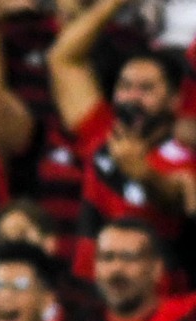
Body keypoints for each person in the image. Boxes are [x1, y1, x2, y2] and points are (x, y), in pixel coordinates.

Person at [48, 0, 196, 278]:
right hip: (88, 291)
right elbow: (63, 60)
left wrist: (145, 174)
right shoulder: (102, 130)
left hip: (155, 305)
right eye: (125, 86)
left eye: (146, 88)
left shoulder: (184, 157)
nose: (132, 98)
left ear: (175, 100)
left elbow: (175, 196)